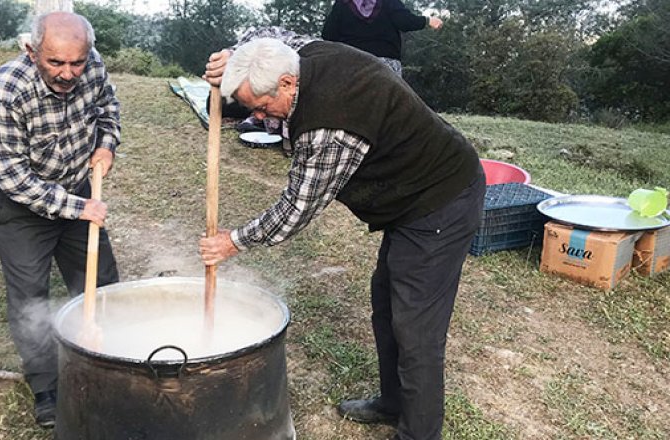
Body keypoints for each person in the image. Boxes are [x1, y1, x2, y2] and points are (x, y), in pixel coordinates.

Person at [199, 38, 485, 440]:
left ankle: (419, 433)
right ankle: (393, 401)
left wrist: (234, 241)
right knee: (387, 304)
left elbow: (296, 210)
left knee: (416, 331)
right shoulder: (303, 53)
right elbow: (265, 37)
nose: (260, 117)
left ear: (286, 83)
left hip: (440, 198)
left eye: (262, 107)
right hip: (410, 195)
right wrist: (230, 57)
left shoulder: (329, 128)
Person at [0, 11, 120, 428]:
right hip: (20, 208)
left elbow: (108, 106)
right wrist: (78, 208)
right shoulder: (6, 90)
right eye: (55, 63)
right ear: (31, 50)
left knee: (101, 282)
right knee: (30, 297)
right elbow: (8, 173)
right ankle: (46, 386)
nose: (68, 73)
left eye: (76, 62)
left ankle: (110, 361)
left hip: (78, 188)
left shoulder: (91, 67)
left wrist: (107, 144)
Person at [321, 0, 443, 76]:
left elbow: (328, 34)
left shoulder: (342, 4)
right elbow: (405, 22)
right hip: (386, 65)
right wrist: (427, 20)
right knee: (392, 109)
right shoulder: (389, 2)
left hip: (352, 64)